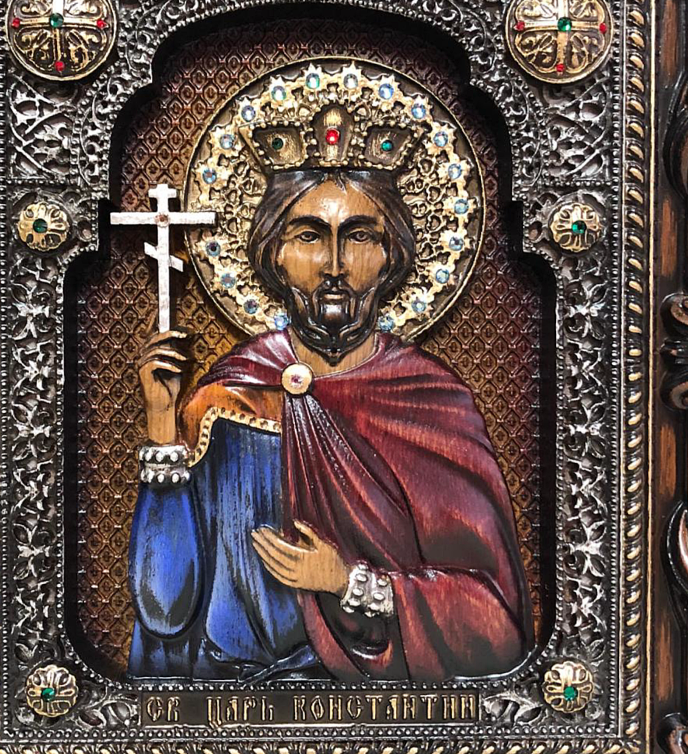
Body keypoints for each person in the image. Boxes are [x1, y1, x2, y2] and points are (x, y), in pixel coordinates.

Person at [127, 167, 533, 682]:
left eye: (359, 236)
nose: (334, 265)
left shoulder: (431, 401)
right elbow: (164, 609)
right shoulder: (226, 402)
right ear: (275, 254)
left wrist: (347, 583)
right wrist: (162, 425)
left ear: (390, 257)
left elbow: (494, 629)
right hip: (239, 707)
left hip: (394, 716)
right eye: (309, 236)